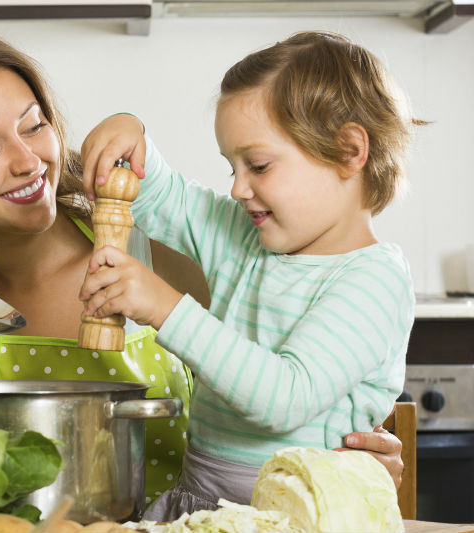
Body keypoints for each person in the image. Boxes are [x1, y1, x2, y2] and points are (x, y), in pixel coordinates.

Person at [0, 30, 405, 503]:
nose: (28, 161)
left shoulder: (151, 234)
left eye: (33, 125)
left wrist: (346, 462)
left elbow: (292, 372)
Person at [77, 30, 419, 520]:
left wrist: (164, 308)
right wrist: (130, 131)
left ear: (349, 151)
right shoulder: (243, 237)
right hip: (200, 506)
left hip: (303, 521)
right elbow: (162, 196)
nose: (238, 188)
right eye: (231, 167)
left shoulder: (373, 280)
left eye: (258, 165)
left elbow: (285, 399)